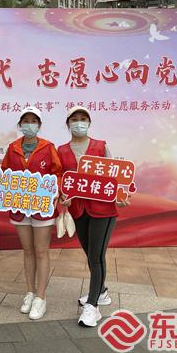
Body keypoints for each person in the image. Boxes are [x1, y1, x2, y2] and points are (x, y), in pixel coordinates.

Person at [57, 106, 130, 327]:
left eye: (83, 119)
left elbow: (114, 175)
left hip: (103, 210)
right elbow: (61, 179)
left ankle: (93, 306)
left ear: (89, 123)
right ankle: (102, 291)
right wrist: (63, 195)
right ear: (68, 124)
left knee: (96, 256)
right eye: (75, 119)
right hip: (79, 210)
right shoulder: (61, 150)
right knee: (91, 254)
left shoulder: (100, 146)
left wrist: (119, 195)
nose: (79, 123)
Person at [1, 107, 63, 320]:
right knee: (27, 251)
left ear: (39, 125)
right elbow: (5, 174)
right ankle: (29, 292)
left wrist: (54, 191)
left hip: (42, 207)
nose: (29, 124)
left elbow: (58, 174)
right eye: (25, 121)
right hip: (19, 207)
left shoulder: (48, 147)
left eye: (33, 121)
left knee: (41, 251)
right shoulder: (13, 148)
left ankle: (41, 297)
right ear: (20, 125)